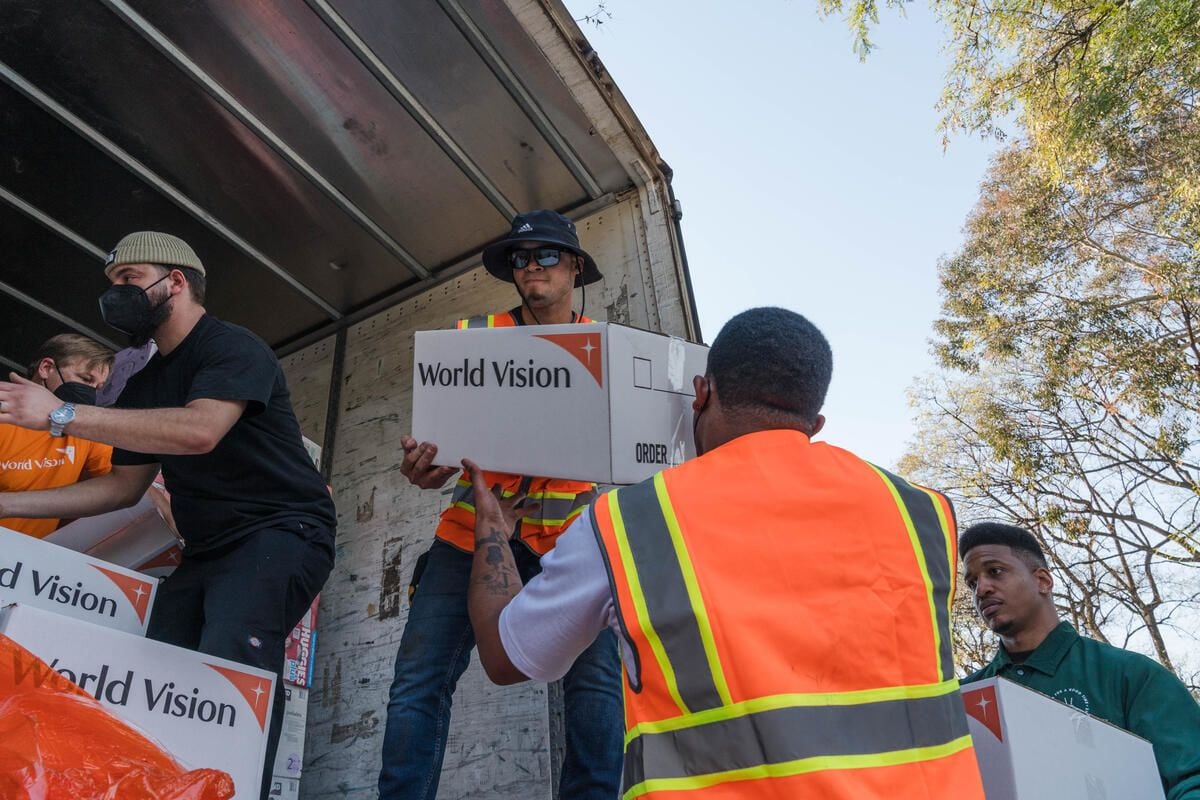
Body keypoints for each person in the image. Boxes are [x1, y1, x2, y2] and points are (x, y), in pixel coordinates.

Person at [462, 306, 987, 799]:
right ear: (815, 423)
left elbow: (508, 657)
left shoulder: (631, 522)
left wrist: (491, 526)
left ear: (701, 392)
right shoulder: (922, 512)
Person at [0, 231, 335, 800]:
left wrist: (61, 414)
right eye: (111, 285)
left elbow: (200, 431)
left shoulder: (232, 346)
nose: (116, 296)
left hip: (280, 533)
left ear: (175, 281)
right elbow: (121, 489)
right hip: (207, 552)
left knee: (230, 672)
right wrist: (7, 504)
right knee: (155, 679)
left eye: (128, 280)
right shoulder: (145, 383)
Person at [378, 210, 622, 800]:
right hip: (469, 535)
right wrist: (424, 469)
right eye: (520, 258)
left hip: (573, 539)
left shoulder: (612, 352)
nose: (530, 267)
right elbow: (439, 460)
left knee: (597, 685)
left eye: (545, 256)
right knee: (417, 681)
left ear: (574, 268)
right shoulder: (471, 339)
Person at [960, 522, 1200, 799]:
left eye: (995, 572)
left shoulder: (1131, 675)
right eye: (972, 582)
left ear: (1042, 581)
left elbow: (1192, 778)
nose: (981, 589)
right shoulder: (962, 698)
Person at [0, 334, 114, 538]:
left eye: (98, 387)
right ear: (46, 368)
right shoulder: (4, 415)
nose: (90, 393)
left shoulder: (83, 428)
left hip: (26, 563)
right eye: (85, 379)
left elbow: (123, 484)